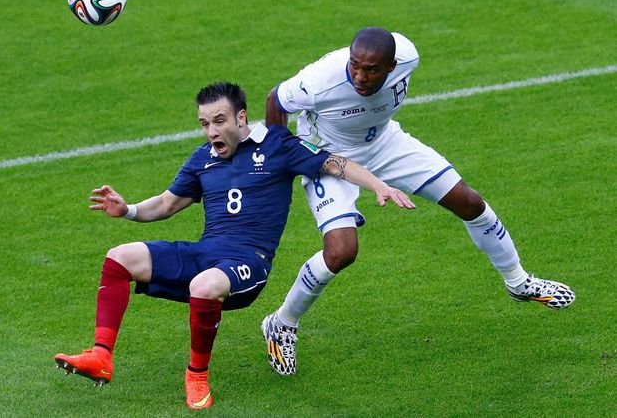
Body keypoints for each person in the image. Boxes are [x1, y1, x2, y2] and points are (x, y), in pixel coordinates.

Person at [53, 81, 415, 409]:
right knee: (120, 257)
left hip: (249, 263)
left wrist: (378, 186)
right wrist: (128, 209)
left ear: (241, 118)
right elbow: (165, 204)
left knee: (204, 285)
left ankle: (197, 376)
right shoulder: (202, 159)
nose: (211, 132)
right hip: (207, 252)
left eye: (219, 121)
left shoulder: (278, 146)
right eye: (204, 124)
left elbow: (337, 164)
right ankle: (101, 356)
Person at [260, 27, 576, 376]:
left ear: (393, 66)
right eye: (355, 67)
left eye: (371, 70)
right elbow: (276, 99)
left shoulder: (409, 55)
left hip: (386, 143)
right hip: (330, 157)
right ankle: (282, 322)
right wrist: (284, 155)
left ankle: (519, 283)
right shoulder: (319, 81)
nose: (360, 77)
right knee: (341, 251)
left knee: (470, 202)